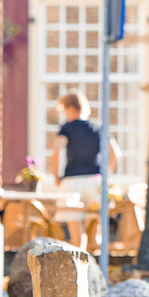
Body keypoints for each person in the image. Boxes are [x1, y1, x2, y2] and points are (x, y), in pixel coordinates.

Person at [47, 93, 121, 244]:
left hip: (71, 183)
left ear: (71, 108)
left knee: (77, 235)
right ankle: (94, 265)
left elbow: (56, 152)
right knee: (94, 232)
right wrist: (106, 174)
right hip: (94, 182)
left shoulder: (66, 128)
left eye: (64, 111)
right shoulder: (98, 127)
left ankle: (79, 265)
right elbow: (115, 154)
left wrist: (56, 175)